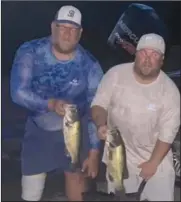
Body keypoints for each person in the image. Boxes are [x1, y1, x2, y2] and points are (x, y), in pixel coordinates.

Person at [10, 5, 103, 201]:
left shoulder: (90, 66)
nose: (67, 34)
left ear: (80, 33)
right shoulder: (31, 52)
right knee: (31, 192)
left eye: (73, 29)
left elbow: (97, 108)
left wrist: (94, 152)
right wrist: (50, 104)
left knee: (77, 183)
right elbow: (18, 92)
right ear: (53, 27)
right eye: (62, 27)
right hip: (39, 128)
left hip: (77, 130)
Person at [91, 33, 180, 201]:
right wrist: (100, 124)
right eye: (144, 53)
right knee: (120, 196)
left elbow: (167, 135)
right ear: (136, 54)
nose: (148, 59)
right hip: (117, 153)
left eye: (154, 55)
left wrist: (152, 163)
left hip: (156, 157)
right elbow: (99, 104)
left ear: (162, 60)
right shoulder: (115, 75)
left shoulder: (170, 92)